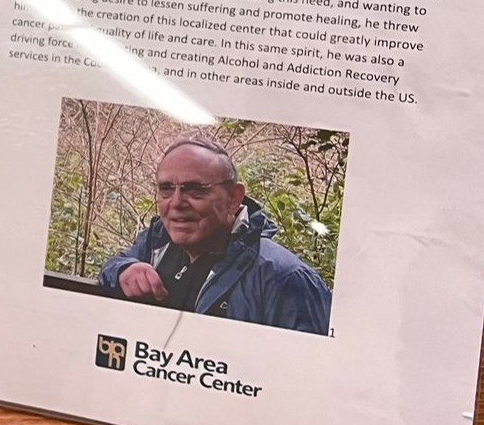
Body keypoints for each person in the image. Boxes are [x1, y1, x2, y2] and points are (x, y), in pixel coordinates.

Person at [99, 139, 332, 335]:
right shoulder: (158, 240)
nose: (177, 202)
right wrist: (123, 271)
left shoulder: (285, 278)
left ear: (233, 198)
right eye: (167, 189)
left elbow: (311, 368)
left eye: (195, 189)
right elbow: (114, 266)